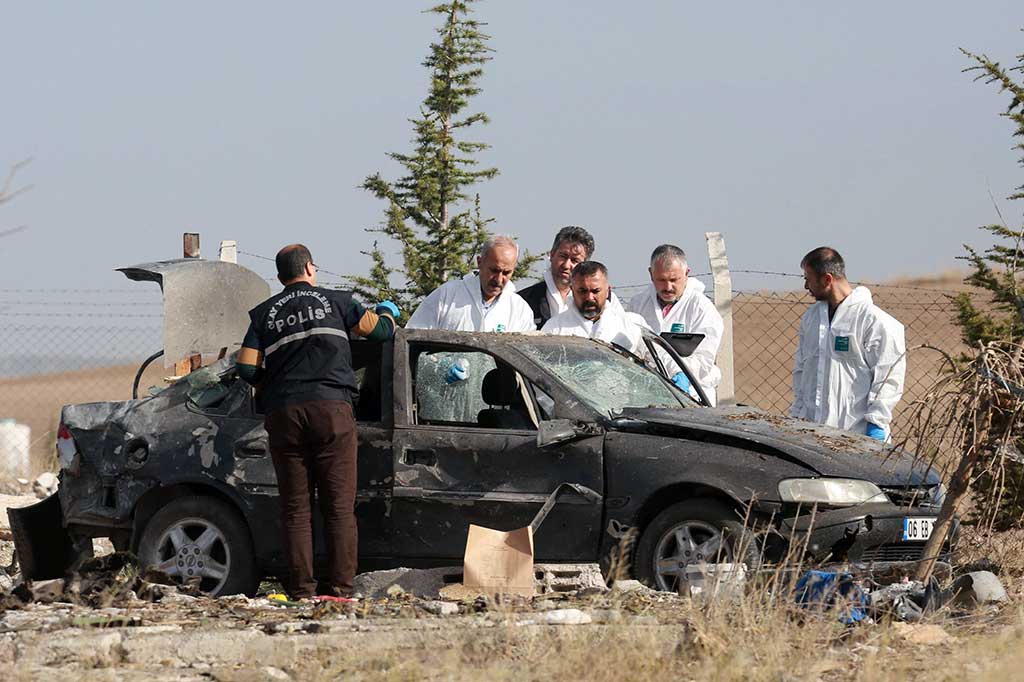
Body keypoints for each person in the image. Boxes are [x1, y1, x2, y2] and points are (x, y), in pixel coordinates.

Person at [236, 244, 397, 599]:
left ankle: (302, 591)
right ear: (310, 268)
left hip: (284, 415)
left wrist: (272, 386)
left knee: (296, 508)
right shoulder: (338, 303)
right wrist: (386, 312)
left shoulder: (263, 315)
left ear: (280, 277)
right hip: (331, 411)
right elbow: (381, 332)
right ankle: (339, 590)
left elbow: (246, 366)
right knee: (338, 506)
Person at [790, 247, 906, 441]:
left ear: (827, 279)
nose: (805, 286)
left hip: (856, 437)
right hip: (812, 436)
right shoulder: (811, 319)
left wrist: (876, 425)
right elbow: (802, 371)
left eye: (808, 278)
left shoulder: (874, 322)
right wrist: (796, 418)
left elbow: (888, 378)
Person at [542, 261, 690, 392]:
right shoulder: (554, 330)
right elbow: (542, 381)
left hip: (626, 414)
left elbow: (660, 356)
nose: (589, 298)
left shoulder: (631, 324)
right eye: (582, 291)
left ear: (608, 290)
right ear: (572, 290)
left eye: (595, 291)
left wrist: (678, 373)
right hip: (574, 418)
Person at [627, 244, 724, 405]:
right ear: (651, 274)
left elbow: (704, 358)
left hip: (692, 393)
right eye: (661, 280)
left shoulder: (701, 308)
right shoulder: (638, 304)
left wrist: (681, 375)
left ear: (686, 274)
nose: (668, 287)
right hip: (646, 393)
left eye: (674, 280)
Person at [406, 234, 535, 332]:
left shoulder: (520, 310)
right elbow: (414, 337)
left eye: (506, 273)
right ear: (480, 262)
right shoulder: (447, 295)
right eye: (494, 270)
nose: (499, 279)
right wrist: (438, 364)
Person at [517, 225, 625, 329]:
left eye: (575, 260)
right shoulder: (523, 300)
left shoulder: (607, 300)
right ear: (552, 254)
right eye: (563, 256)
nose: (566, 265)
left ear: (585, 263)